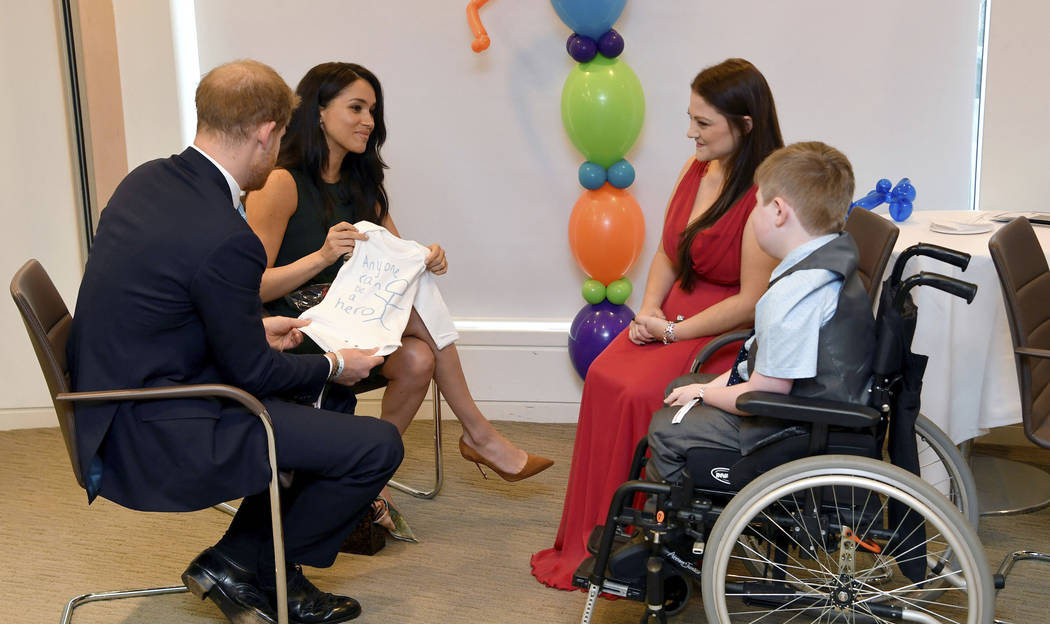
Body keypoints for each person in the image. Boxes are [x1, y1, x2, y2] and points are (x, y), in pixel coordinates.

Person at [66, 59, 404, 624]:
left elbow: (171, 301)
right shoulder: (226, 237)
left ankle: (254, 566)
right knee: (375, 442)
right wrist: (332, 361)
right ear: (267, 132)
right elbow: (251, 371)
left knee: (325, 404)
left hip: (115, 403)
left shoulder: (149, 179)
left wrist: (259, 325)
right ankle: (251, 568)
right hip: (162, 425)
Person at [245, 62, 552, 538]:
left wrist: (425, 258)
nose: (368, 120)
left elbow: (397, 267)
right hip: (291, 329)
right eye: (356, 108)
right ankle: (479, 434)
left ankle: (367, 477)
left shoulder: (362, 183)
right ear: (319, 112)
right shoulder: (280, 183)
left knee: (417, 358)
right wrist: (321, 256)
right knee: (412, 316)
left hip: (354, 322)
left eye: (373, 110)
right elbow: (251, 287)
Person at [531, 58, 784, 590]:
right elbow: (670, 251)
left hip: (716, 329)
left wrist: (673, 332)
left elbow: (751, 300)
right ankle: (593, 533)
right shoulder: (697, 169)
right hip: (675, 314)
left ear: (744, 124)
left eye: (703, 123)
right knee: (603, 373)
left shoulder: (764, 194)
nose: (690, 132)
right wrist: (648, 311)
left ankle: (644, 540)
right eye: (690, 118)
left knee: (634, 389)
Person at [647, 141, 874, 485]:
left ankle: (670, 527)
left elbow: (763, 395)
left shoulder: (793, 294)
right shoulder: (833, 254)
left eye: (756, 205)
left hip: (792, 427)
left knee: (665, 429)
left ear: (779, 211)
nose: (752, 214)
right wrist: (702, 389)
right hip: (823, 400)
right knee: (683, 386)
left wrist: (706, 393)